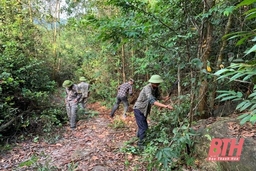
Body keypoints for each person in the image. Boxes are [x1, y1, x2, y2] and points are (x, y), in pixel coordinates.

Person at [133, 75, 173, 147]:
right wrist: (165, 106)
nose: (158, 85)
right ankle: (140, 144)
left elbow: (158, 97)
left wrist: (164, 98)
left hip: (144, 110)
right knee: (144, 127)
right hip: (139, 109)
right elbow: (152, 101)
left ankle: (138, 139)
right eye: (156, 83)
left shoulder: (155, 88)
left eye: (158, 84)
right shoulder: (147, 88)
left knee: (142, 125)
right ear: (152, 83)